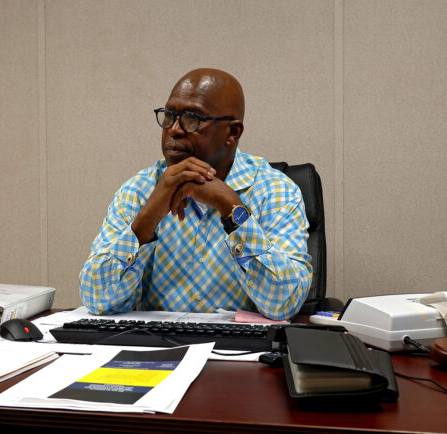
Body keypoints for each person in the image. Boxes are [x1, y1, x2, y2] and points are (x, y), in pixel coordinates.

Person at [79, 68, 312, 320]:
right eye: (169, 115)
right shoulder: (139, 189)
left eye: (192, 118)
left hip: (237, 352)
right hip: (154, 349)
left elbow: (284, 303)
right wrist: (148, 217)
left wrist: (231, 207)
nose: (174, 130)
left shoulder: (276, 191)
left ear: (232, 133)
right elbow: (96, 299)